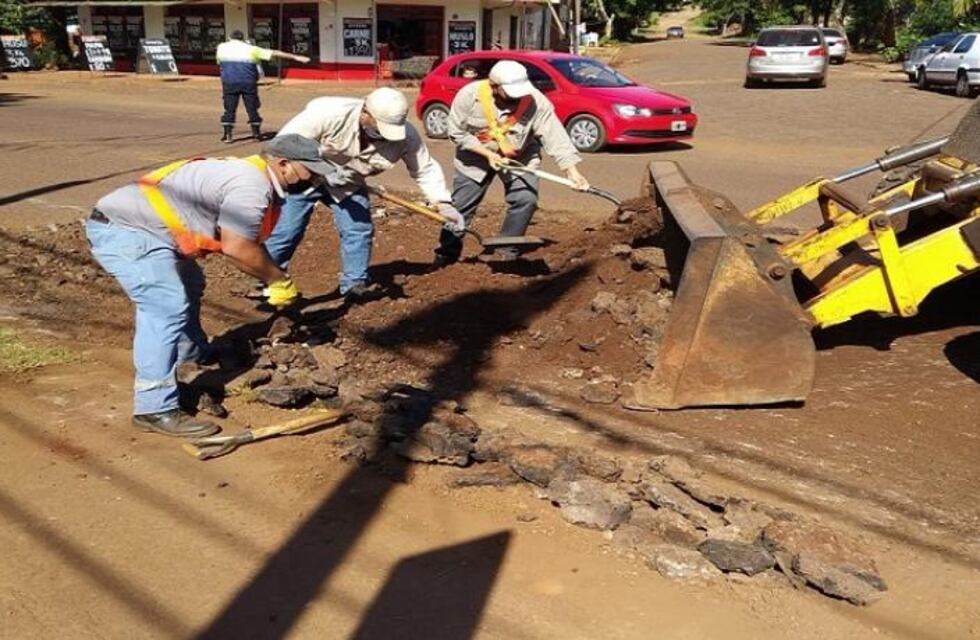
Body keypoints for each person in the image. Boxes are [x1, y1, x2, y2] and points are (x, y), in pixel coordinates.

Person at [85, 134, 333, 438]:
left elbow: (248, 242)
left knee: (190, 283)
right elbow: (238, 247)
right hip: (128, 230)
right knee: (165, 307)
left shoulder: (254, 178)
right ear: (284, 164)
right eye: (310, 170)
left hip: (150, 229)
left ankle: (189, 357)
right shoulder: (251, 186)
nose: (315, 178)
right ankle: (154, 407)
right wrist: (277, 279)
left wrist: (275, 275)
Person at [265, 87, 463, 300]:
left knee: (358, 230)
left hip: (348, 183)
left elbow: (424, 169)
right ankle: (266, 278)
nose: (384, 134)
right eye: (380, 126)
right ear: (365, 113)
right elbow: (283, 143)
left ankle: (354, 284)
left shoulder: (406, 136)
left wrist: (443, 203)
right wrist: (320, 168)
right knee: (286, 230)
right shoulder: (329, 114)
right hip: (304, 177)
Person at [435, 59, 590, 265]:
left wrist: (572, 171)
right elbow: (456, 132)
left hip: (520, 155)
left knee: (526, 199)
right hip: (475, 156)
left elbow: (555, 136)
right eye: (511, 92)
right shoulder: (469, 96)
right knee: (461, 205)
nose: (517, 97)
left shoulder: (536, 101)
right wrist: (487, 154)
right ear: (494, 87)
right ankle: (447, 253)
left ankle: (506, 249)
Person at [216, 30, 310, 143]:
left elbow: (219, 63)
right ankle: (256, 133)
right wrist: (296, 57)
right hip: (248, 82)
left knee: (229, 108)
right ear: (242, 38)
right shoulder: (251, 49)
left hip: (229, 82)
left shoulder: (221, 47)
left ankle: (227, 134)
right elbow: (274, 53)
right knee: (252, 108)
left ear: (230, 37)